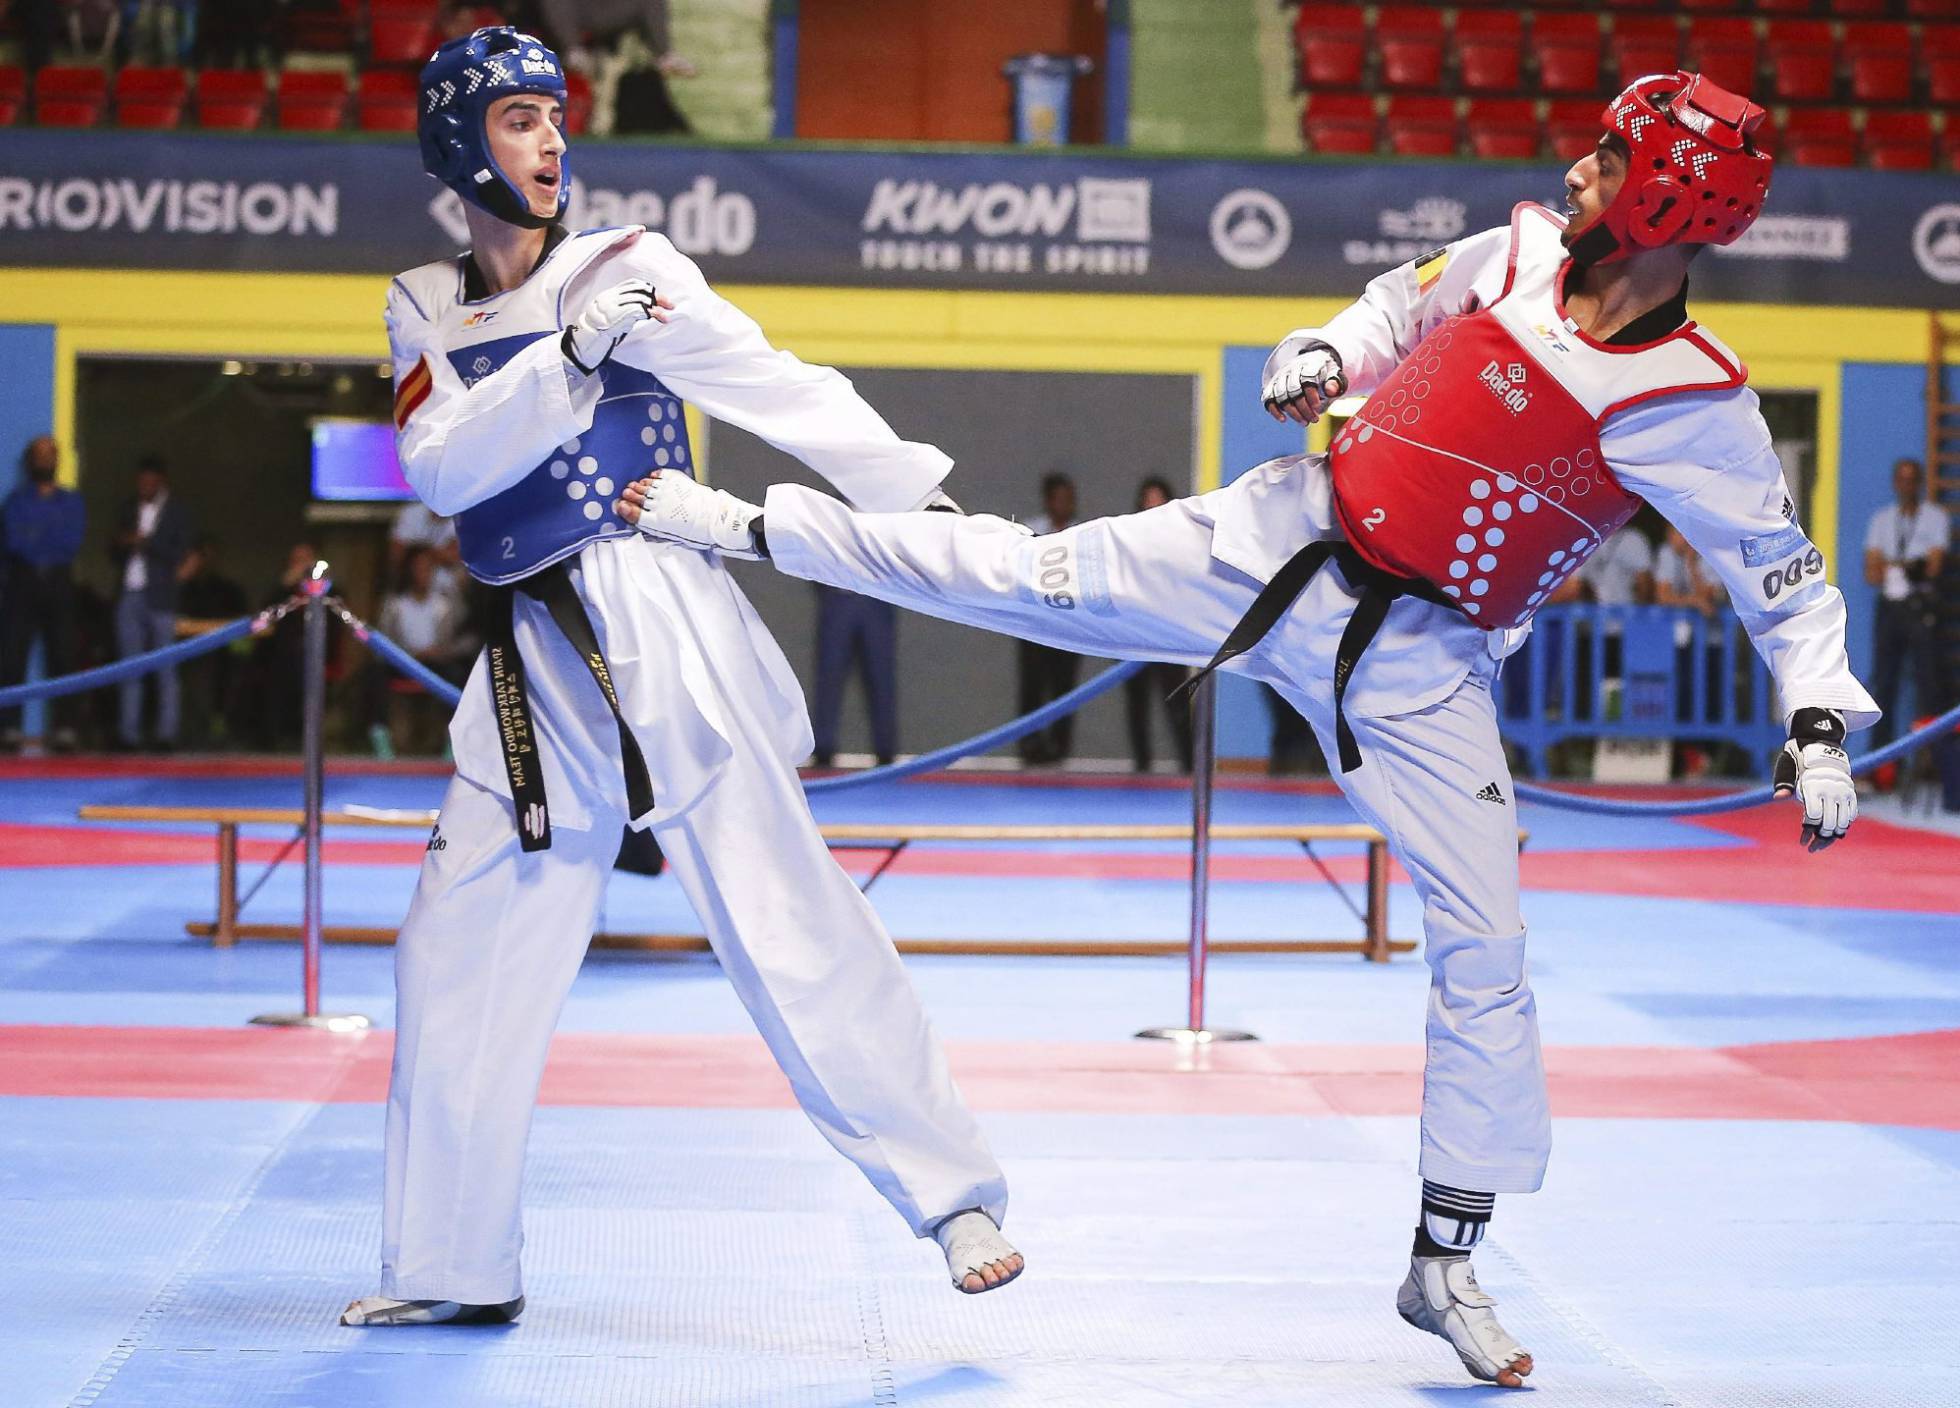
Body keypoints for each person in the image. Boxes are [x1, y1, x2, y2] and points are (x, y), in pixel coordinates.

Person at [620, 71, 1876, 1389]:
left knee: (1489, 946)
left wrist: (1819, 721)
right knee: (1014, 574)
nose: (1576, 171)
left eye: (1609, 161)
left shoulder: (1692, 401)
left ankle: (1445, 1259)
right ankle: (743, 524)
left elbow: (1779, 573)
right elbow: (1392, 309)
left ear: (1667, 202)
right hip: (1277, 542)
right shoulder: (1512, 252)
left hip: (1422, 669)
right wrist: (1328, 353)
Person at [339, 26, 1019, 1331]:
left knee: (782, 909)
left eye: (559, 116)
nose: (552, 141)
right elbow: (438, 469)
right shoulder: (422, 301)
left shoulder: (629, 267)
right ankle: (450, 1263)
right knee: (452, 946)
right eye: (521, 118)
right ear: (457, 140)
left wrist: (916, 502)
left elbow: (776, 385)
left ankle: (954, 1197)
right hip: (532, 652)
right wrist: (563, 363)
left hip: (663, 611)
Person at [0, 436, 86, 753]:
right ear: (30, 461)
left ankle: (65, 728)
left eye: (50, 454)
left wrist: (36, 535)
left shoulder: (71, 502)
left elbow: (69, 542)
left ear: (58, 460)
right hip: (22, 582)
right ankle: (9, 728)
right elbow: (14, 541)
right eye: (39, 454)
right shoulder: (15, 501)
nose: (45, 459)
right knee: (12, 655)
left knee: (63, 654)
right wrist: (43, 537)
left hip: (58, 582)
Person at [1863, 456, 1949, 751]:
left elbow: (1933, 568)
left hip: (1921, 606)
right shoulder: (1881, 520)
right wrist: (1911, 565)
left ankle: (1932, 760)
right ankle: (1881, 762)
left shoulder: (1935, 518)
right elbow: (1872, 573)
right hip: (1890, 608)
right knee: (1883, 683)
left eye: (1912, 480)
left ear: (1920, 483)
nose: (1906, 486)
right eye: (1901, 480)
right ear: (1894, 483)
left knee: (1929, 683)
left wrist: (1892, 565)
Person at [110, 455, 191, 752]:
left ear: (160, 481)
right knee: (129, 667)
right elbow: (112, 550)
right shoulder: (128, 508)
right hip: (129, 593)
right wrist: (125, 542)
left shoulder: (177, 512)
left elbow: (179, 552)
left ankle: (166, 734)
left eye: (150, 482)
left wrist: (147, 543)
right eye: (141, 481)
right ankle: (128, 734)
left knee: (166, 668)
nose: (144, 486)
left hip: (161, 596)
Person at [1122, 477, 1193, 773]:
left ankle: (1190, 762)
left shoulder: (1182, 541)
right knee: (1136, 702)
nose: (1152, 505)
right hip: (1134, 631)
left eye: (1158, 499)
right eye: (1148, 500)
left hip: (1168, 631)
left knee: (1178, 699)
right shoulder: (1127, 538)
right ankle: (1142, 763)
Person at [1016, 471, 1083, 765]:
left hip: (1069, 626)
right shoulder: (1030, 531)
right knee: (1032, 685)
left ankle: (1059, 745)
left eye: (1069, 499)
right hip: (1035, 625)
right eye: (1058, 498)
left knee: (1064, 686)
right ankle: (1029, 743)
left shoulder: (1082, 534)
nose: (1063, 504)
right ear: (1047, 501)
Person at [810, 583, 898, 767]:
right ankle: (823, 748)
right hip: (838, 599)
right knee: (829, 679)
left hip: (877, 600)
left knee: (881, 681)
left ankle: (886, 749)